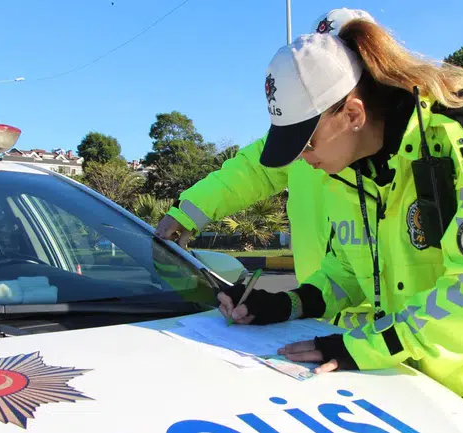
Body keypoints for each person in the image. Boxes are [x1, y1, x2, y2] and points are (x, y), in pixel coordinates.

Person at [216, 20, 463, 433]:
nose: (303, 159)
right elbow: (346, 272)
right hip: (426, 398)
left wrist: (370, 346)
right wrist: (284, 305)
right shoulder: (346, 175)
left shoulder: (460, 141)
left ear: (353, 114)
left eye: (306, 144)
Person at [156, 8, 379, 329]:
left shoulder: (409, 147)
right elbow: (252, 170)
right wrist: (189, 211)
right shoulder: (301, 138)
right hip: (315, 313)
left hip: (388, 331)